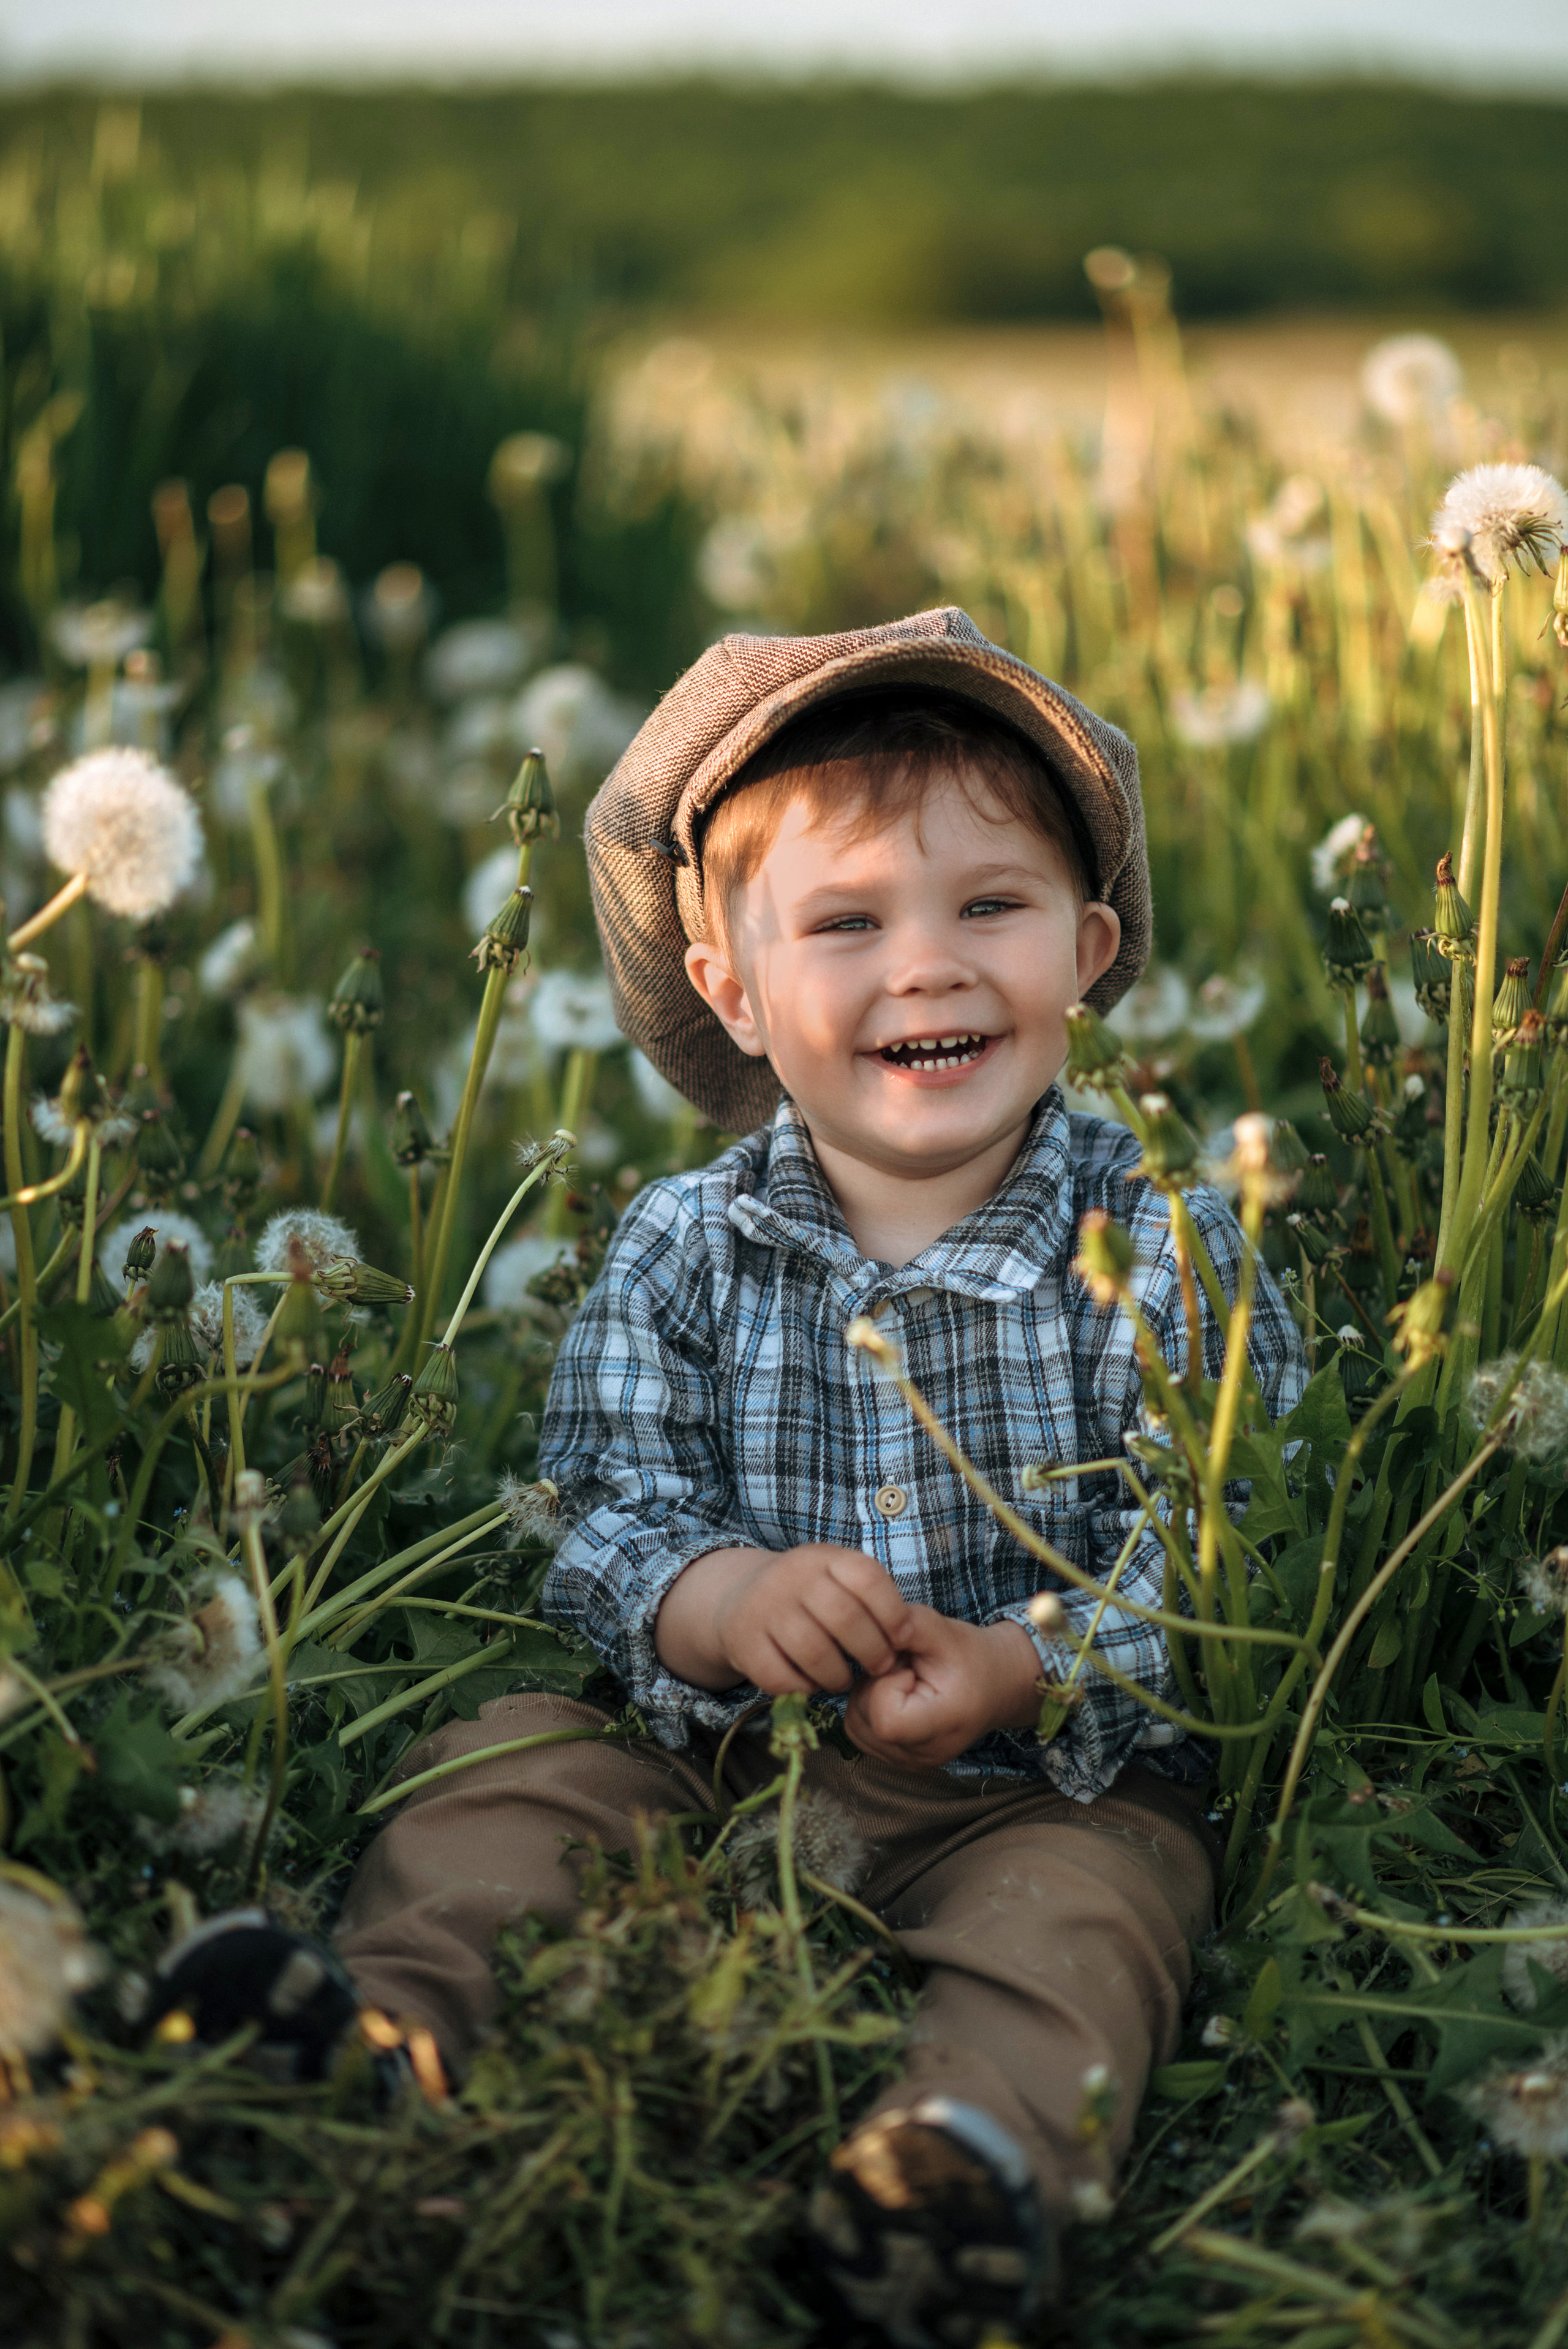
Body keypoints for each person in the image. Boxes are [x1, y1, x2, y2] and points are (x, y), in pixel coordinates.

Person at [159, 609, 1305, 2349]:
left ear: (1088, 948)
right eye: (847, 922)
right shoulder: (686, 1242)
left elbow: (1228, 1543)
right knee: (501, 1771)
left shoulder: (1161, 1242)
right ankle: (373, 2042)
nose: (926, 966)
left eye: (989, 907)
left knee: (1096, 1916)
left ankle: (958, 2167)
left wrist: (1029, 1659)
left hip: (1044, 1780)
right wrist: (719, 1602)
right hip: (712, 1746)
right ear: (736, 994)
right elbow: (604, 1501)